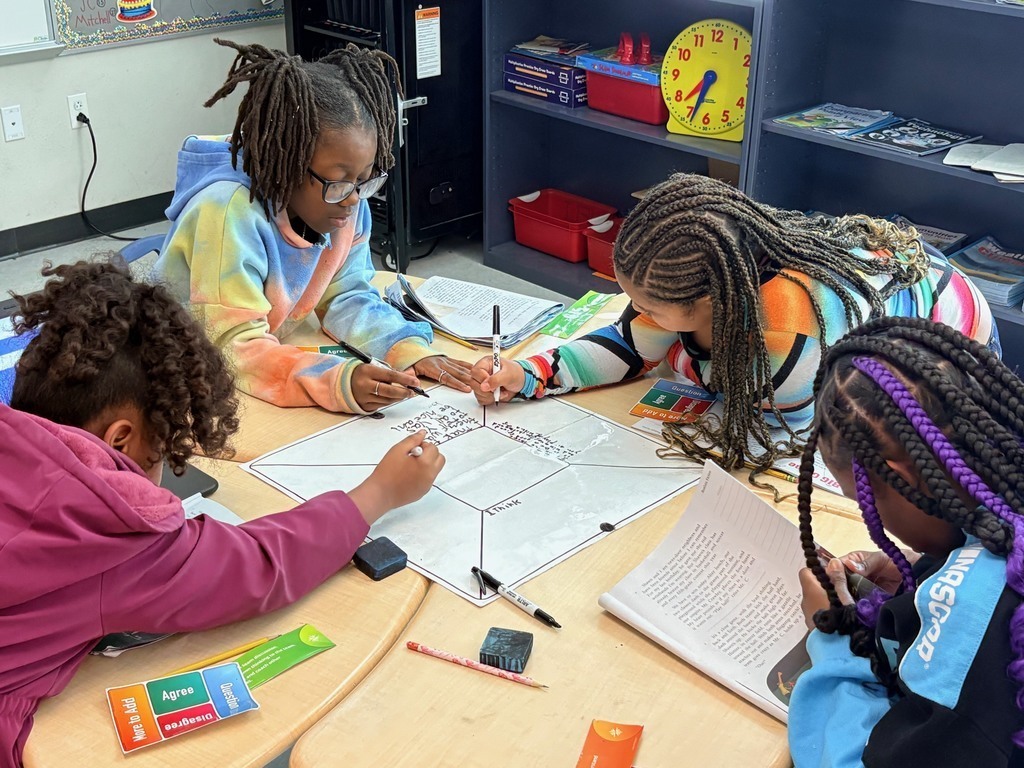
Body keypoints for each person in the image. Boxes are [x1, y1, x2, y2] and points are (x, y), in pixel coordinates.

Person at [0, 260, 444, 766]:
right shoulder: (109, 530)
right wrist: (379, 494)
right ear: (120, 440)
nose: (165, 468)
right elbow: (257, 566)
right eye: (162, 449)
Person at [470, 174, 996, 473]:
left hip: (950, 344)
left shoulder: (787, 331)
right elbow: (631, 344)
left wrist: (678, 363)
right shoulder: (694, 281)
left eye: (650, 306)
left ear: (713, 302)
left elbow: (782, 430)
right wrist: (531, 374)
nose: (632, 311)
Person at [151, 39, 472, 414]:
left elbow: (344, 294)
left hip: (265, 347)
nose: (354, 198)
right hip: (180, 367)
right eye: (338, 181)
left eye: (366, 179)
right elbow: (231, 347)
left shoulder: (346, 201)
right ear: (287, 167)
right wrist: (336, 381)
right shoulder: (227, 213)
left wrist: (404, 349)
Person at [790, 317, 1024, 767]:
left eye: (862, 502)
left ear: (899, 480)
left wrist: (835, 639)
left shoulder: (974, 622)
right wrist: (925, 570)